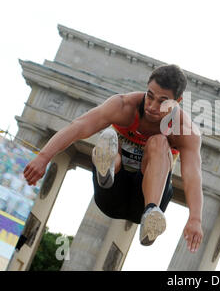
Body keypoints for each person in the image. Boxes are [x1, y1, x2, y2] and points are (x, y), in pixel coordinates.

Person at [23, 64, 203, 253]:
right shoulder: (123, 106)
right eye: (150, 96)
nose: (152, 107)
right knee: (109, 138)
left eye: (163, 101)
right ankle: (106, 171)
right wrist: (43, 157)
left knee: (158, 142)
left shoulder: (184, 130)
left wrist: (195, 218)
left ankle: (151, 214)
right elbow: (79, 126)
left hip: (145, 201)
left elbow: (192, 175)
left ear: (178, 101)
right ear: (146, 88)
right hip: (111, 191)